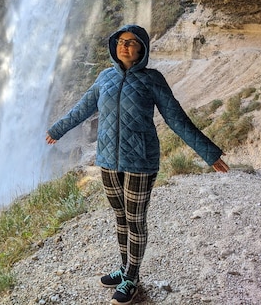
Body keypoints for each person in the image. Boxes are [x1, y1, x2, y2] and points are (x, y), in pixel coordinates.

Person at [45, 24, 229, 305]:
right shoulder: (105, 77)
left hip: (140, 161)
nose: (124, 46)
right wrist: (57, 130)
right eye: (120, 41)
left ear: (142, 49)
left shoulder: (153, 80)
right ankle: (124, 268)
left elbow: (176, 119)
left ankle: (132, 276)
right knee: (120, 218)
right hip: (107, 160)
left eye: (131, 42)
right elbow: (82, 109)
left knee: (135, 219)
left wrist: (209, 153)